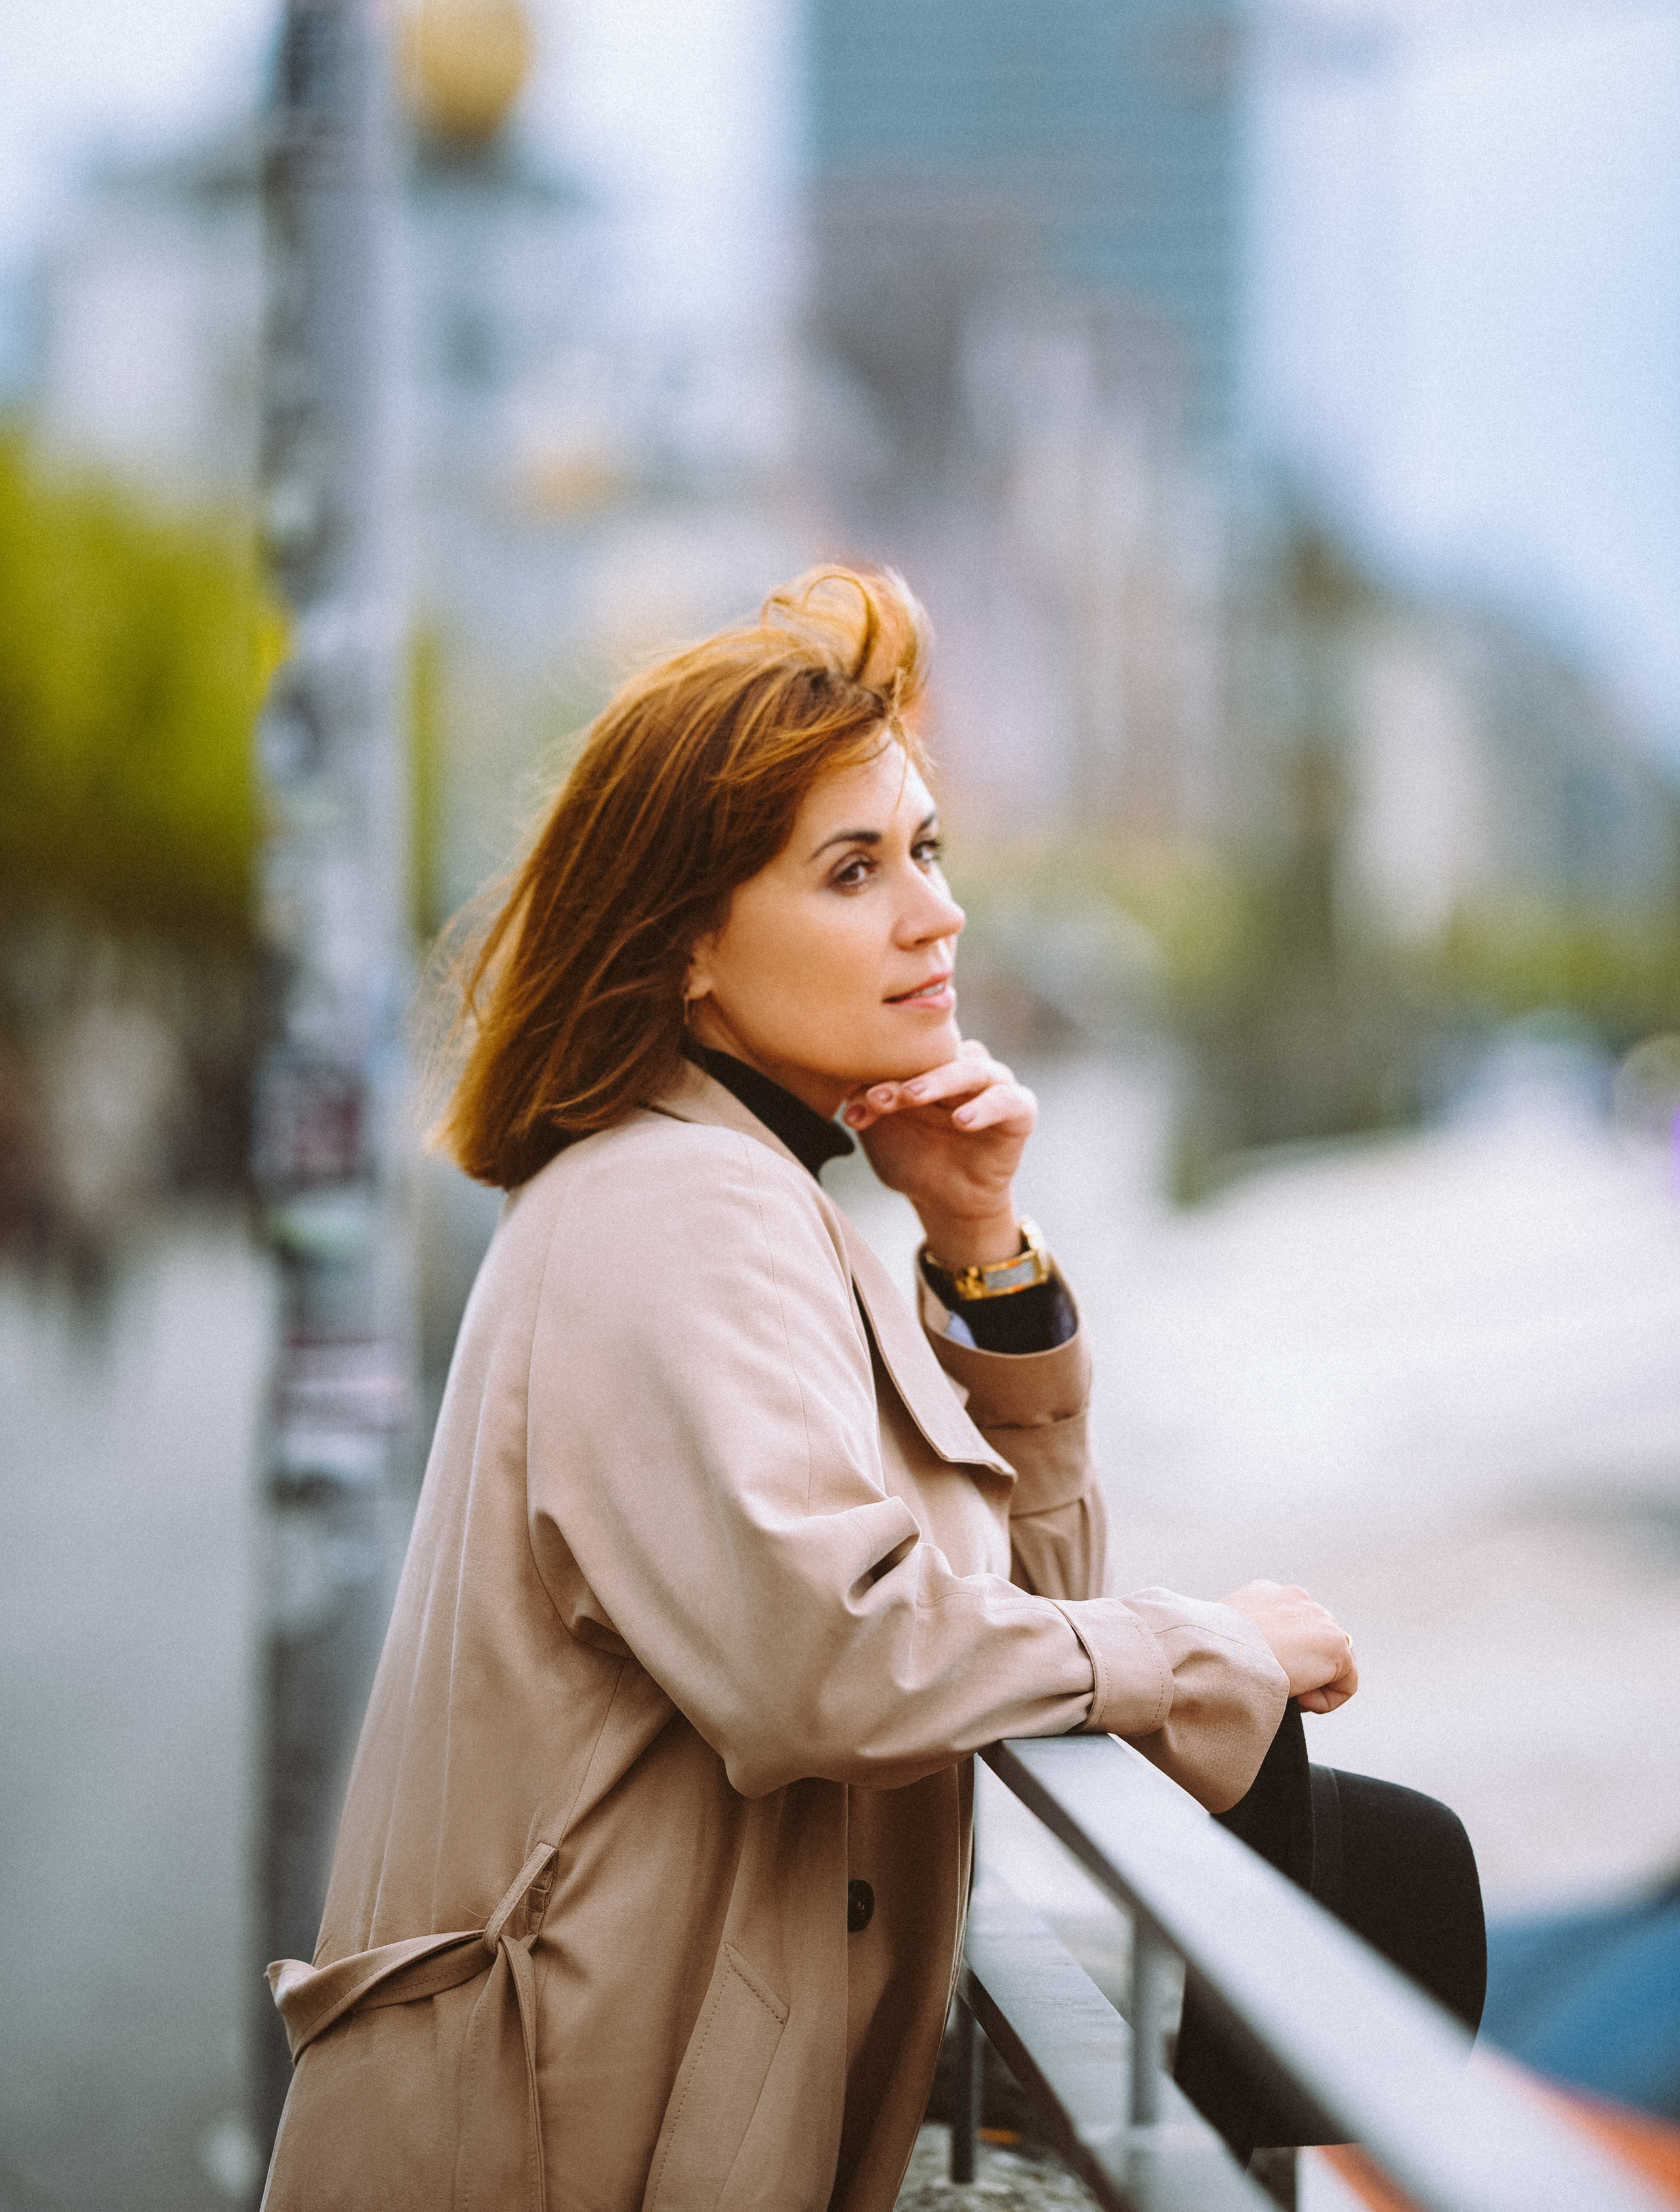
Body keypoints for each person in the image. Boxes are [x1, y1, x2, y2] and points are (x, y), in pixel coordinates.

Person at [259, 566, 1479, 2212]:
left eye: (925, 850)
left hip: (632, 2099)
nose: (933, 910)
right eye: (853, 870)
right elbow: (834, 1665)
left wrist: (976, 1243)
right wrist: (1216, 1657)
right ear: (686, 949)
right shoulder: (668, 1206)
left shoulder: (760, 1195)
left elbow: (1005, 1616)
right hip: (567, 2138)